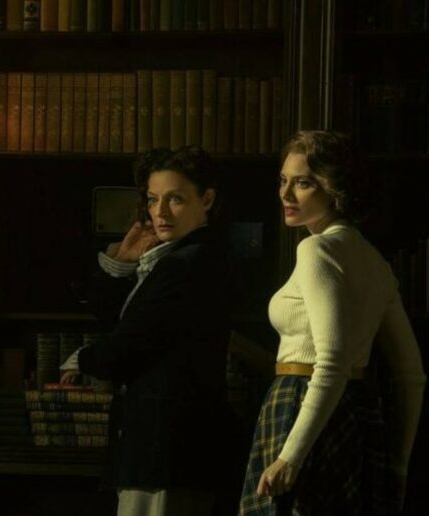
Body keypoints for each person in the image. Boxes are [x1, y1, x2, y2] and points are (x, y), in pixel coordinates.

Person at [238, 130, 426, 515]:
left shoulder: (316, 249)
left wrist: (290, 455)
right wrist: (398, 465)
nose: (285, 194)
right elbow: (412, 376)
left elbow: (332, 363)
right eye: (283, 180)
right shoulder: (375, 262)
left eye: (303, 183)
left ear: (335, 188)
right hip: (358, 418)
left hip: (300, 407)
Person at [60, 146, 235, 516]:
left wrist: (83, 358)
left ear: (207, 200)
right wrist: (122, 263)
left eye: (175, 199)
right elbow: (117, 320)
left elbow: (133, 341)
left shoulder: (190, 263)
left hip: (170, 447)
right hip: (159, 449)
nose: (160, 213)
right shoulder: (173, 258)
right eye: (154, 200)